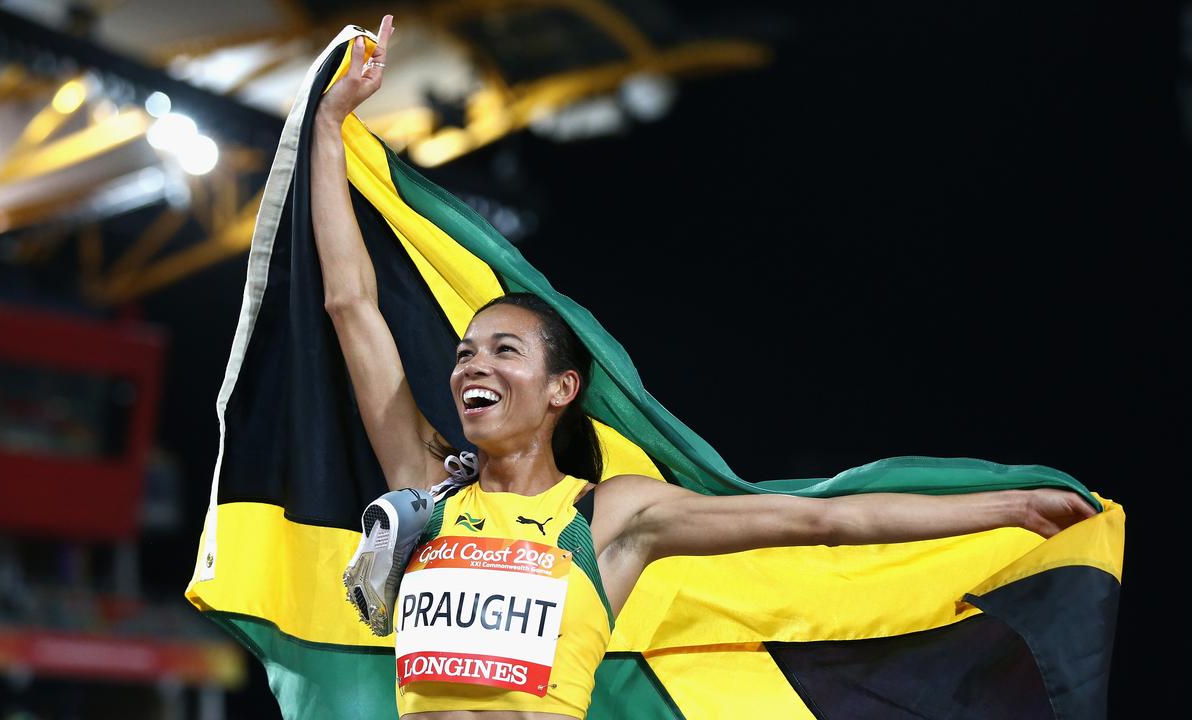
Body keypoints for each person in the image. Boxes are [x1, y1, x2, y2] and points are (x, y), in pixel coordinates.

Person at [310, 14, 1099, 720]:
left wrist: (1006, 508)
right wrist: (328, 125)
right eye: (464, 353)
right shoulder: (419, 482)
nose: (471, 365)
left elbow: (822, 520)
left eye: (503, 350)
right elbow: (352, 306)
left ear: (562, 389)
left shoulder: (609, 518)